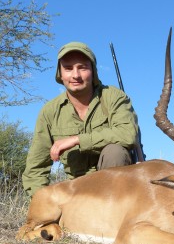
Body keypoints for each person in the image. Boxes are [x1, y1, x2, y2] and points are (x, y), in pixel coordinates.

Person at [22, 42, 139, 196]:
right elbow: (35, 170)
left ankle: (112, 214)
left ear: (93, 71)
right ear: (60, 73)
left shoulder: (113, 97)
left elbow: (128, 134)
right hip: (76, 192)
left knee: (115, 152)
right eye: (68, 68)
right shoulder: (49, 111)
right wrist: (41, 203)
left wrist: (77, 139)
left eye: (82, 67)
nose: (75, 75)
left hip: (115, 191)